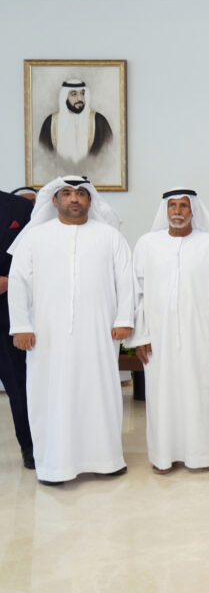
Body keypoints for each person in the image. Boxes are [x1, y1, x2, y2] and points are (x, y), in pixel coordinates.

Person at [6, 176, 133, 484]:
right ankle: (54, 465)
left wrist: (123, 319)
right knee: (51, 395)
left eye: (80, 194)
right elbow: (18, 283)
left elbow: (126, 280)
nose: (74, 199)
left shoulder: (110, 236)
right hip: (47, 334)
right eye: (66, 193)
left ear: (90, 200)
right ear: (54, 200)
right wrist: (21, 326)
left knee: (99, 393)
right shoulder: (34, 238)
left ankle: (106, 460)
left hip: (99, 331)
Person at [126, 187, 209, 474]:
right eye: (172, 205)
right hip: (158, 339)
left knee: (203, 394)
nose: (177, 211)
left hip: (201, 337)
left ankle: (205, 455)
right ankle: (164, 456)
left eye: (183, 205)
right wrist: (141, 336)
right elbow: (137, 293)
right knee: (162, 397)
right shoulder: (147, 244)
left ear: (193, 210)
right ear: (165, 210)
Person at [0, 189, 35, 468]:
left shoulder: (19, 209)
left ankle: (30, 447)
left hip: (7, 317)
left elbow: (36, 259)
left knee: (19, 388)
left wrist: (9, 281)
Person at [38, 80, 115, 164]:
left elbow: (110, 156)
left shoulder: (99, 122)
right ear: (64, 97)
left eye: (82, 93)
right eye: (74, 94)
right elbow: (43, 158)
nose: (80, 98)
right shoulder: (50, 123)